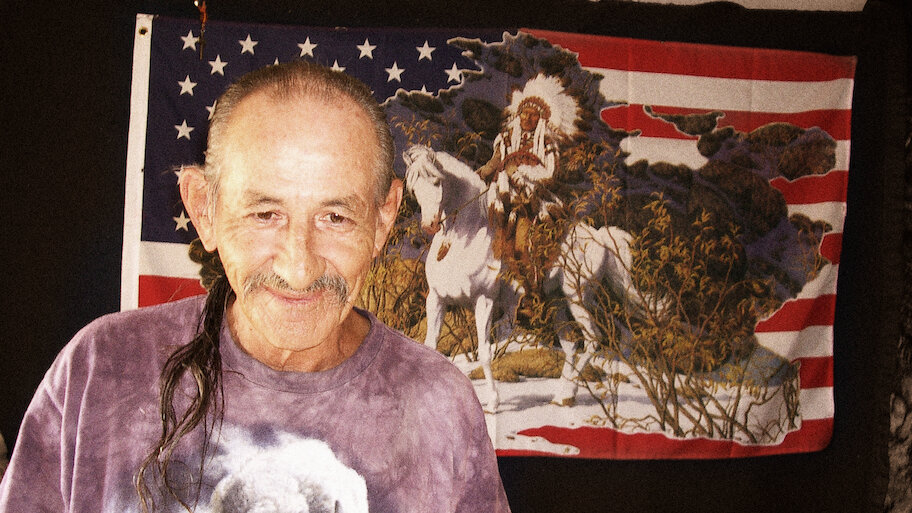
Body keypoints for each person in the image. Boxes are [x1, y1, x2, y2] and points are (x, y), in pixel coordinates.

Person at [0, 61, 511, 513]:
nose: (299, 269)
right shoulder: (99, 370)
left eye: (335, 217)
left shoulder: (441, 404)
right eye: (265, 214)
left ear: (383, 219)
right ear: (204, 210)